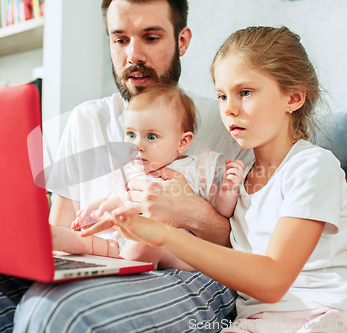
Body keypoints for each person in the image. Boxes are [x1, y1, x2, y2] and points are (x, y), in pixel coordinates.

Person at [0, 1, 252, 332]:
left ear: (182, 40)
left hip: (187, 271)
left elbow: (254, 253)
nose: (133, 55)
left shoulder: (229, 123)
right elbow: (60, 226)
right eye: (120, 39)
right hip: (96, 263)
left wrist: (189, 211)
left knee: (55, 310)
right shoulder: (88, 118)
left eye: (151, 37)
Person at [82, 26, 347, 333]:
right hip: (258, 322)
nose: (229, 108)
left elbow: (272, 281)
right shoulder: (234, 185)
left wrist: (165, 236)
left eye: (245, 92)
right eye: (221, 95)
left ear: (293, 97)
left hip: (331, 315)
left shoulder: (312, 166)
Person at [70, 83, 244, 271]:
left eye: (151, 137)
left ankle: (114, 276)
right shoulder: (129, 172)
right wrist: (96, 212)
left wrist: (227, 189)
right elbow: (120, 209)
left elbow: (221, 210)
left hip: (181, 254)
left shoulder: (195, 168)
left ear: (182, 142)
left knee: (143, 245)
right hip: (129, 247)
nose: (137, 145)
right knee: (89, 243)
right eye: (131, 134)